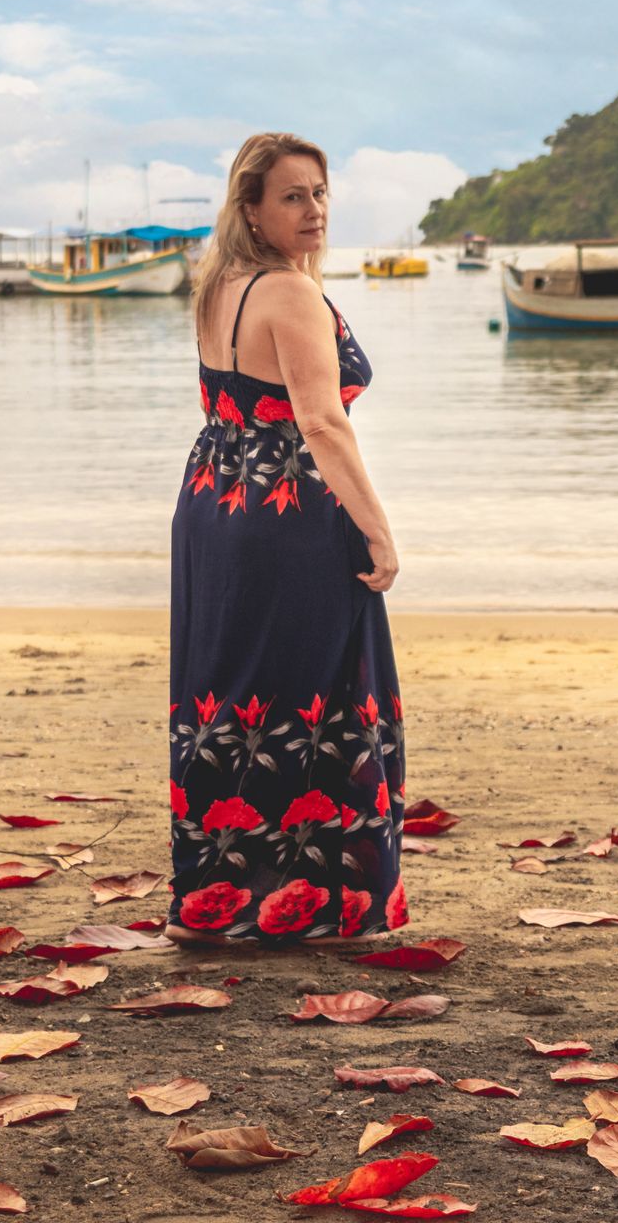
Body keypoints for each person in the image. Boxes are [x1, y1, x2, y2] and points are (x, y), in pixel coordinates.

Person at [163, 132, 407, 947]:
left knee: (227, 696)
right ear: (253, 210)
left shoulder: (217, 285)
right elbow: (322, 422)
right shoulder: (292, 295)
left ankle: (215, 899)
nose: (315, 210)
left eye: (321, 193)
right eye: (293, 197)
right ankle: (322, 902)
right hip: (288, 508)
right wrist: (379, 531)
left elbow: (234, 403)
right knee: (322, 693)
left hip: (211, 503)